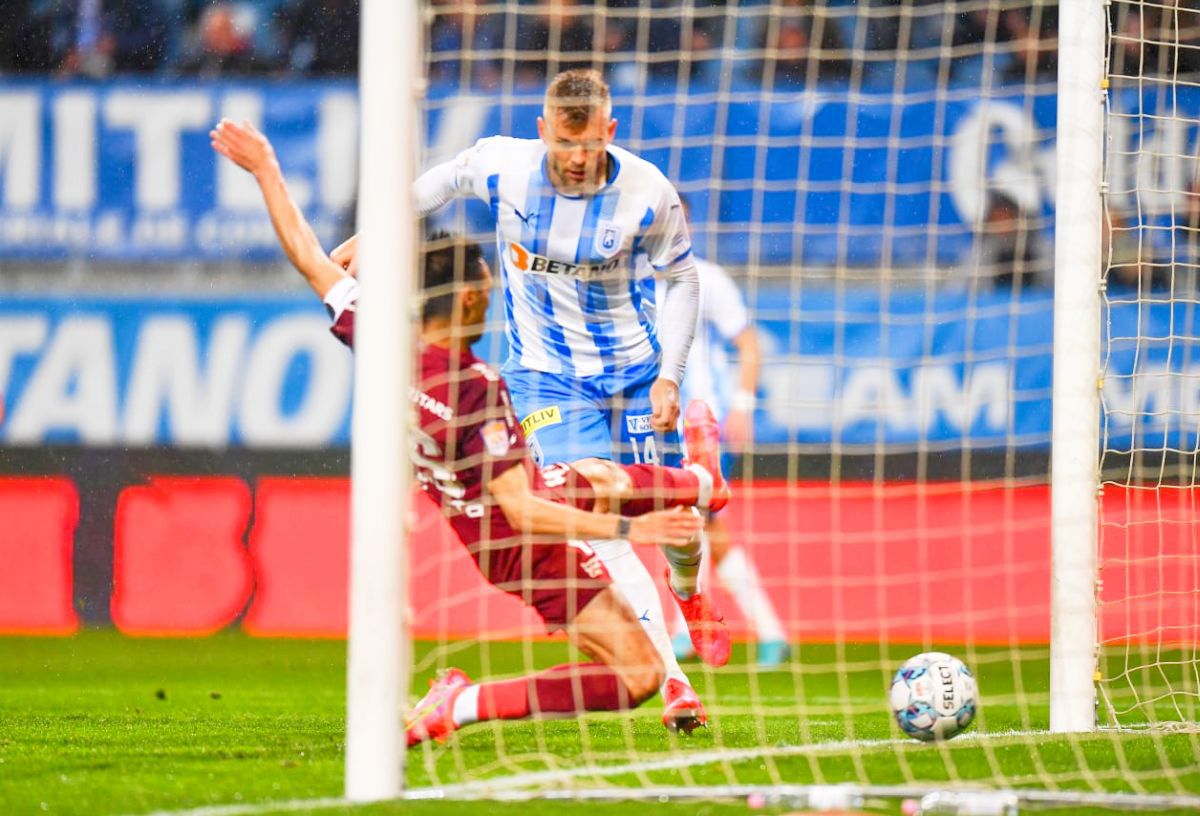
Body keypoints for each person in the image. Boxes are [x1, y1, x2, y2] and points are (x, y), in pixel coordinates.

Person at [209, 118, 732, 737]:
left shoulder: (382, 340)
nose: (494, 287)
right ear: (468, 300)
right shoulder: (476, 391)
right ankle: (460, 704)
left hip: (489, 513)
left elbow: (308, 258)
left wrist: (269, 171)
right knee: (635, 671)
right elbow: (528, 511)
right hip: (525, 544)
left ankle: (701, 481)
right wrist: (630, 527)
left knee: (596, 472)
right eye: (487, 281)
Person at [659, 199, 791, 669]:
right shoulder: (629, 281)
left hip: (701, 424)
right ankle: (768, 632)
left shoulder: (706, 278)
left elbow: (748, 342)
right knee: (698, 527)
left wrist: (742, 405)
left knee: (695, 522)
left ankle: (691, 632)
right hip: (655, 424)